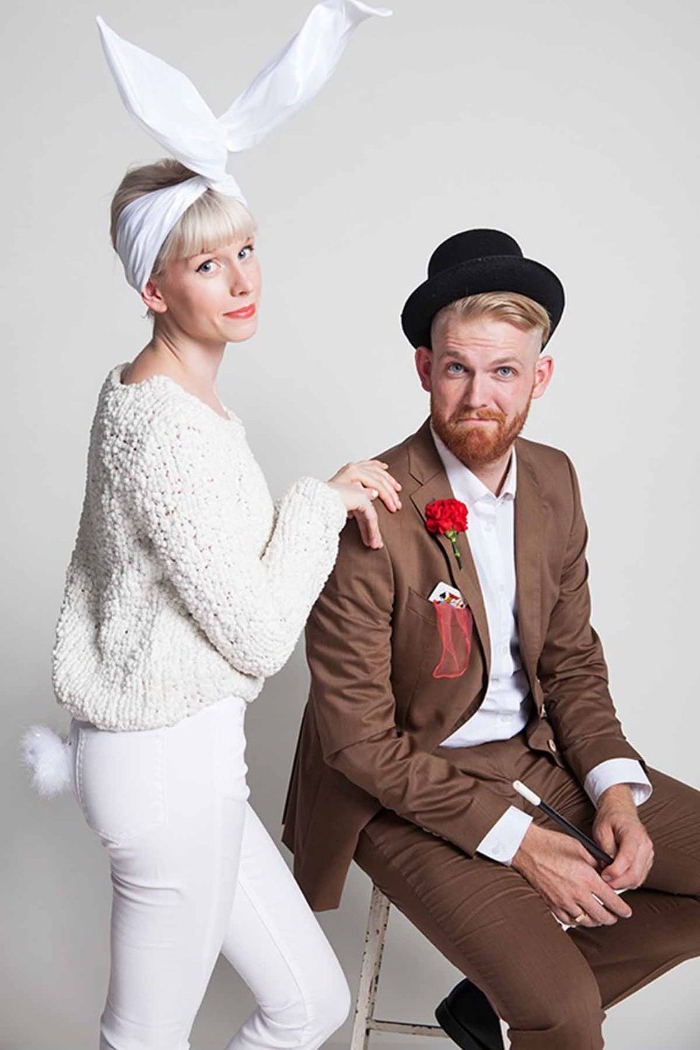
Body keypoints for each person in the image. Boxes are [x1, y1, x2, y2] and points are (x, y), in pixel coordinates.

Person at [38, 5, 398, 1049]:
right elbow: (252, 635)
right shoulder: (163, 428)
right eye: (207, 265)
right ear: (153, 286)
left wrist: (315, 502)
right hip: (162, 767)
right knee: (142, 1038)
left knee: (309, 1004)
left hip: (192, 761)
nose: (241, 279)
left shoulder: (171, 400)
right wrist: (314, 502)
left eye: (245, 250)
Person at [282, 228, 700, 1050]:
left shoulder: (555, 478)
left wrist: (616, 790)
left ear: (539, 377)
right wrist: (521, 844)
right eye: (457, 368)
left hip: (530, 754)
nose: (480, 395)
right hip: (396, 788)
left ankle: (488, 1006)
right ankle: (543, 1002)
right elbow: (360, 744)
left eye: (505, 371)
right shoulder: (366, 505)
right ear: (423, 369)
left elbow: (571, 660)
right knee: (566, 1015)